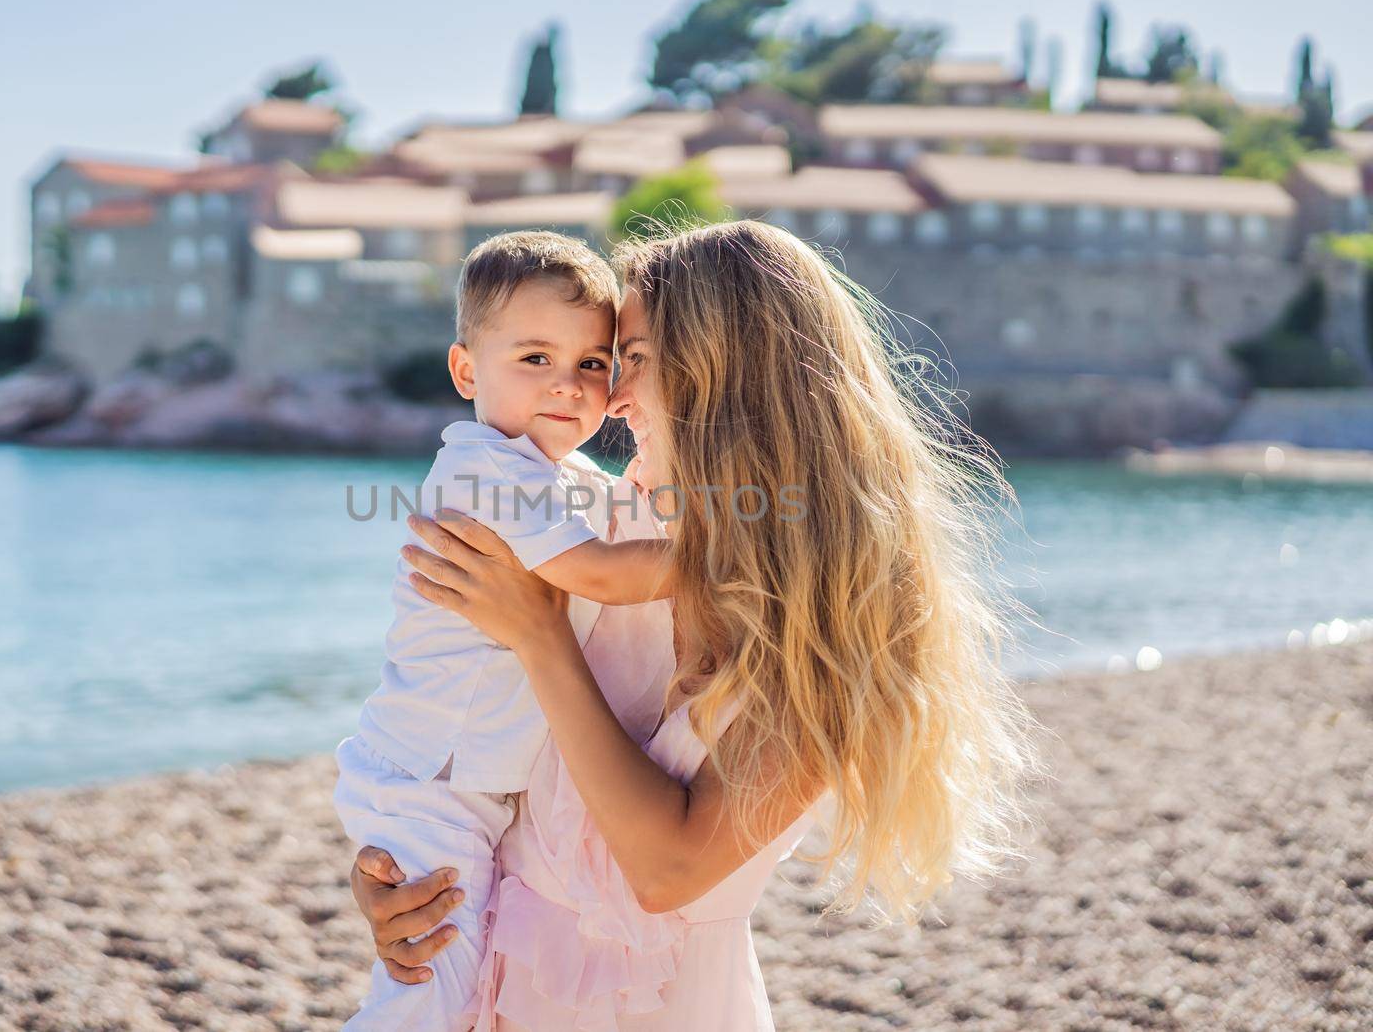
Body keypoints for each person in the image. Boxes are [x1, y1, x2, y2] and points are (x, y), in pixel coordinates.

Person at [351, 221, 1039, 1029]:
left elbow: (667, 869)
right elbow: (452, 719)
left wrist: (543, 638)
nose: (609, 396)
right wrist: (403, 873)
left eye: (629, 359)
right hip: (504, 986)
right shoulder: (595, 524)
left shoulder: (825, 626)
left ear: (725, 380)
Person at [334, 231, 673, 1031]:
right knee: (430, 988)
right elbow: (595, 572)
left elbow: (627, 529)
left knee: (455, 984)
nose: (568, 385)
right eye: (534, 359)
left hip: (467, 780)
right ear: (465, 371)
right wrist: (737, 552)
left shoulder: (565, 476)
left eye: (593, 363)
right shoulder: (486, 465)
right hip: (433, 778)